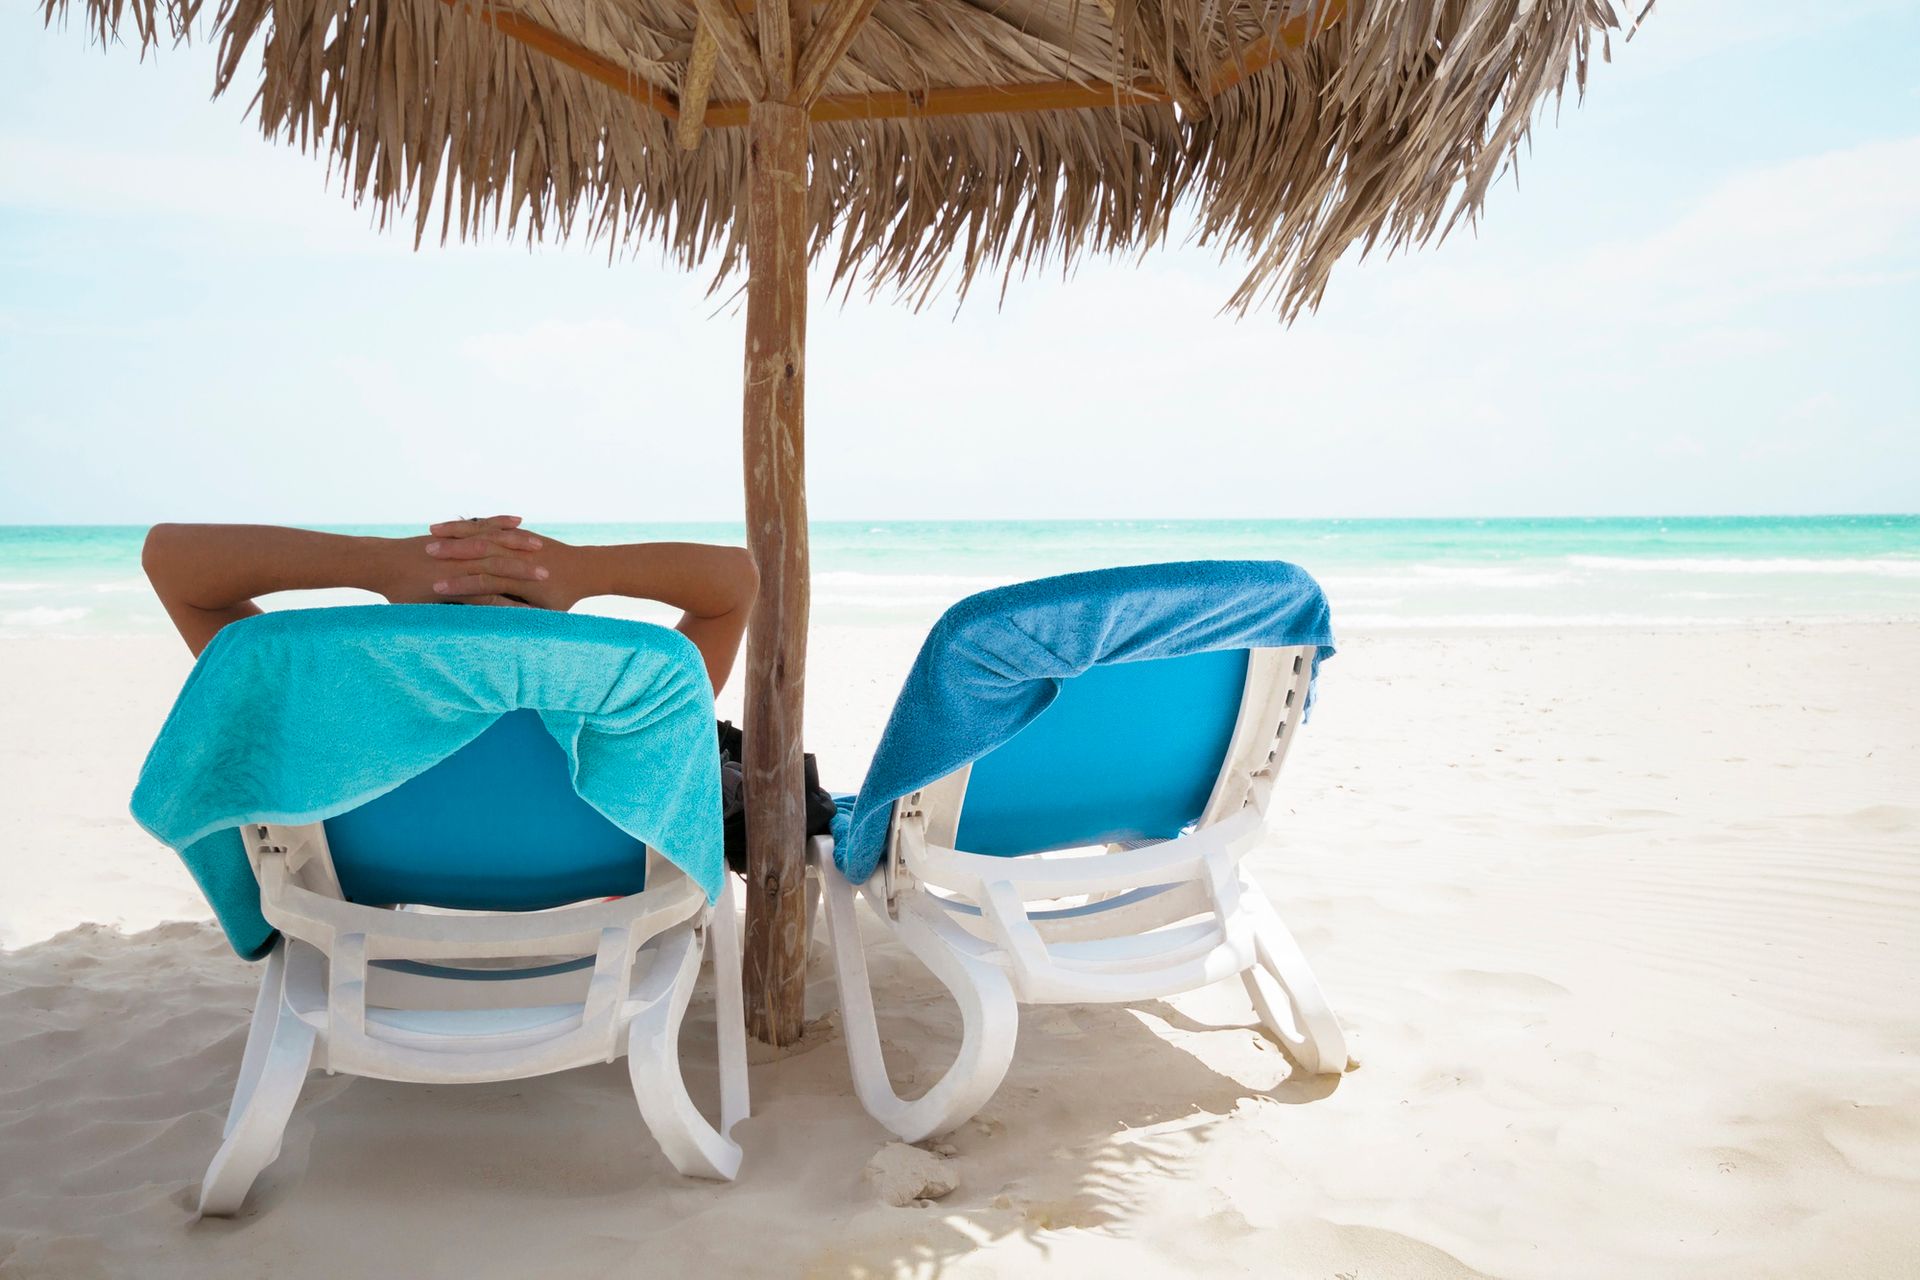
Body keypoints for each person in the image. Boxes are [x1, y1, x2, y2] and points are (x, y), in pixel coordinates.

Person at [140, 515, 758, 692]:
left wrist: (383, 564)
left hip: (370, 890)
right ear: (552, 626)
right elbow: (732, 582)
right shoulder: (622, 704)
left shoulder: (327, 699)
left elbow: (170, 556)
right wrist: (576, 570)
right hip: (586, 892)